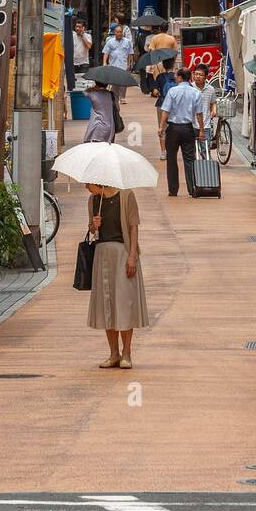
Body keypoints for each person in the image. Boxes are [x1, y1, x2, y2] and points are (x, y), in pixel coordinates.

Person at [86, 183, 149, 369]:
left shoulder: (126, 196)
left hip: (122, 253)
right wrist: (93, 226)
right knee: (107, 305)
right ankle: (113, 353)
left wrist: (132, 256)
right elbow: (92, 231)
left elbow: (133, 226)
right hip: (102, 255)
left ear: (98, 181)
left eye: (88, 183)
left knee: (124, 303)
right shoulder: (93, 200)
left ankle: (126, 353)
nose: (86, 187)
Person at [157, 67, 204, 196]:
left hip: (173, 128)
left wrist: (161, 127)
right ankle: (192, 188)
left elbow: (165, 110)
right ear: (190, 78)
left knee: (171, 159)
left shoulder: (172, 91)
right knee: (190, 159)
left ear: (179, 77)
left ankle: (173, 190)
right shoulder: (196, 93)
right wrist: (201, 130)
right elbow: (199, 114)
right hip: (188, 128)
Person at [150, 57, 178, 155]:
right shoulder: (177, 77)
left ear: (163, 65)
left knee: (162, 127)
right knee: (174, 127)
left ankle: (163, 152)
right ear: (173, 65)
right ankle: (172, 150)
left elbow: (154, 92)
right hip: (175, 105)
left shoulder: (159, 77)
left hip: (161, 104)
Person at [103, 23, 133, 104]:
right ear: (114, 33)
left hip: (124, 65)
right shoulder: (110, 42)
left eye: (120, 32)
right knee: (115, 82)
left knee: (123, 82)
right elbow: (106, 53)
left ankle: (122, 97)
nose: (119, 33)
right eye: (117, 32)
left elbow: (130, 53)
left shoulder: (127, 42)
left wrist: (130, 63)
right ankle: (114, 96)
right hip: (114, 65)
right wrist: (104, 62)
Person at [192, 64, 218, 148]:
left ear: (206, 76)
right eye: (196, 74)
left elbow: (213, 102)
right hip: (191, 125)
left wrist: (214, 110)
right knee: (192, 151)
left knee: (205, 150)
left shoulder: (211, 89)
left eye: (200, 75)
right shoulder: (190, 88)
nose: (197, 76)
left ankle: (206, 161)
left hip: (206, 125)